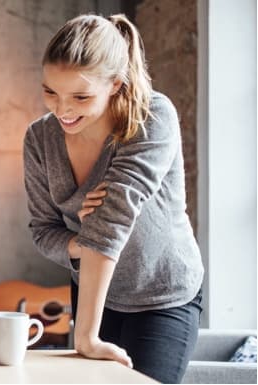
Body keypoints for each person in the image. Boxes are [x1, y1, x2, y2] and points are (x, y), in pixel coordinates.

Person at [23, 14, 204, 383]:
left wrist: (86, 336)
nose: (62, 109)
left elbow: (110, 224)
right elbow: (43, 231)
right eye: (50, 92)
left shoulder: (151, 117)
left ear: (116, 85)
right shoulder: (39, 139)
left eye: (81, 96)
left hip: (162, 294)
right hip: (95, 294)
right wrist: (78, 242)